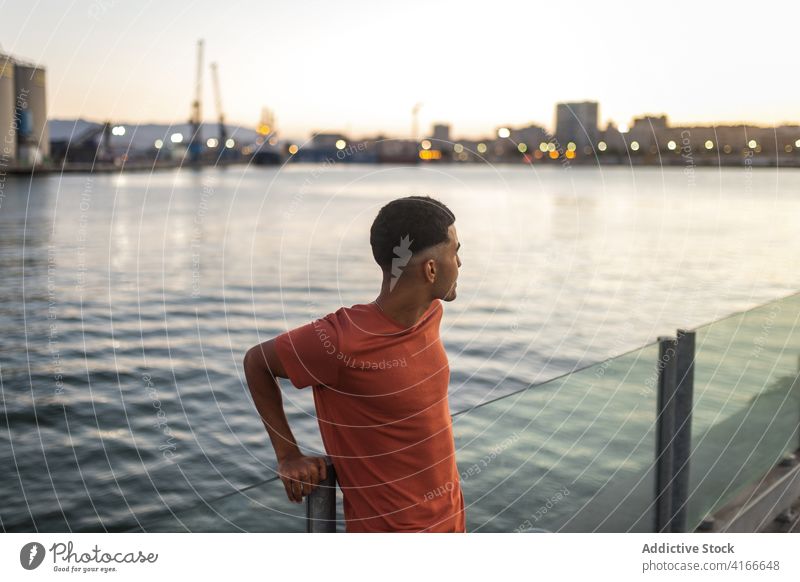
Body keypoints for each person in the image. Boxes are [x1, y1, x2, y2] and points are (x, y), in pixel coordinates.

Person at [243, 195, 465, 532]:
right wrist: (288, 454)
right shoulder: (341, 340)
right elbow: (256, 362)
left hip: (451, 523)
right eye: (456, 251)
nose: (460, 263)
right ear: (430, 269)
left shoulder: (430, 313)